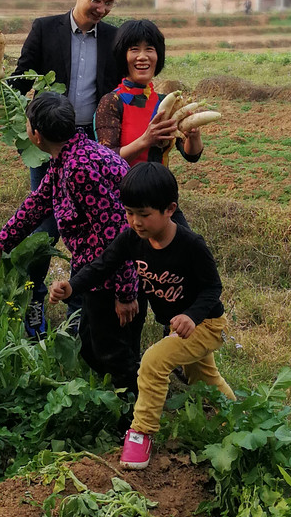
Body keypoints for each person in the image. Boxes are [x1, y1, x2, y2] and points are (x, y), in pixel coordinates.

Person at [48, 162, 235, 470]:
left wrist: (190, 315)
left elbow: (213, 288)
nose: (135, 221)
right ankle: (238, 418)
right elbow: (103, 265)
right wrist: (72, 286)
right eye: (129, 212)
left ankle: (141, 433)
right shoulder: (133, 238)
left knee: (153, 361)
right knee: (205, 378)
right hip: (180, 327)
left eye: (144, 214)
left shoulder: (191, 245)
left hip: (206, 324)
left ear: (170, 209)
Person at [0, 0, 121, 336]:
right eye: (97, 0)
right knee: (43, 225)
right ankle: (33, 303)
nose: (102, 9)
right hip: (49, 140)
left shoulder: (113, 38)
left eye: (109, 4)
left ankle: (80, 312)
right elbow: (23, 77)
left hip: (91, 142)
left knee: (92, 227)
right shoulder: (46, 29)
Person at [0, 91, 145, 399]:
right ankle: (127, 398)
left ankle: (138, 411)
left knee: (112, 352)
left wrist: (125, 293)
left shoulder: (80, 168)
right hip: (96, 272)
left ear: (36, 135)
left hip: (114, 275)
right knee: (91, 344)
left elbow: (118, 234)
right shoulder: (67, 157)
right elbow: (37, 204)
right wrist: (0, 243)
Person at [94, 19, 205, 170]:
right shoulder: (112, 101)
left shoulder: (165, 102)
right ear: (122, 56)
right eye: (134, 49)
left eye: (149, 49)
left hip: (160, 188)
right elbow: (106, 160)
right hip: (123, 190)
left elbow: (191, 155)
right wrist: (146, 140)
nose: (142, 56)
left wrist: (194, 135)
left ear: (158, 56)